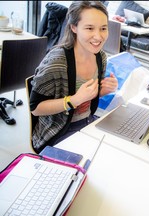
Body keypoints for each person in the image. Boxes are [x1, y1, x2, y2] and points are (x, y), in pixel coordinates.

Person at [29, 1, 118, 153]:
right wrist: (74, 100)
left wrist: (101, 91)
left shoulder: (100, 57)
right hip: (57, 133)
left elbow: (87, 99)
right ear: (73, 27)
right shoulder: (56, 63)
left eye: (103, 28)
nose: (99, 36)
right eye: (89, 28)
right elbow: (35, 108)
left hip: (88, 123)